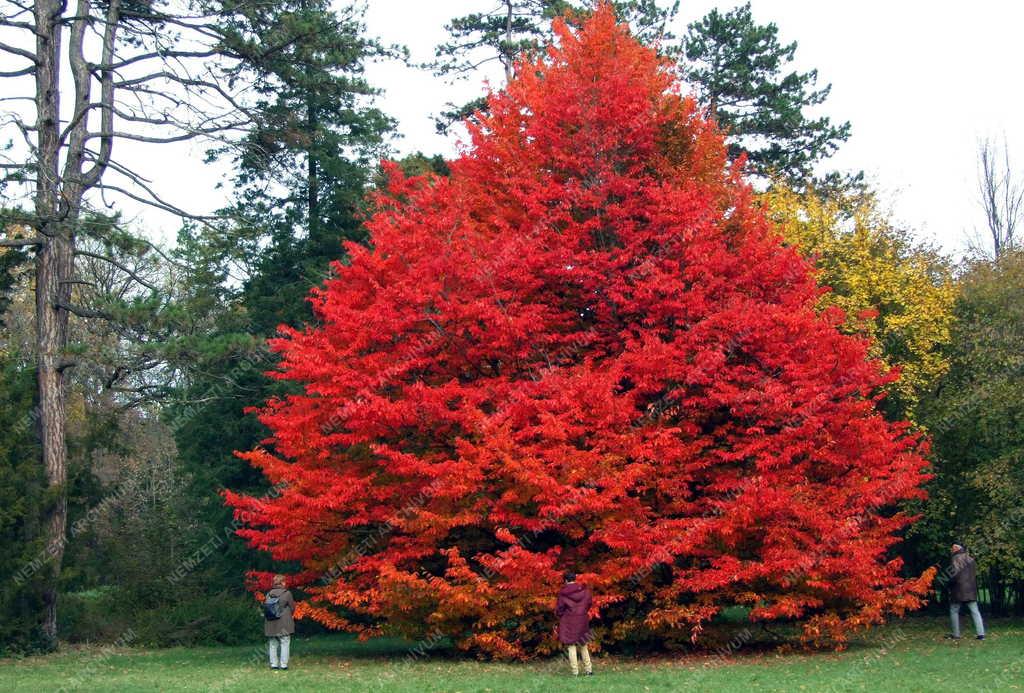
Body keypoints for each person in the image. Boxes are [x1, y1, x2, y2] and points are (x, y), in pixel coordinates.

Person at [556, 571, 594, 676]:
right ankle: (589, 670)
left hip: (569, 621)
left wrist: (561, 616)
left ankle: (575, 672)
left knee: (571, 646)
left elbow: (559, 609)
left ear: (565, 580)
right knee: (583, 645)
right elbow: (589, 603)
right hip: (582, 619)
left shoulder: (563, 593)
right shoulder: (585, 591)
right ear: (575, 579)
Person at [946, 542, 985, 641]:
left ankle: (956, 634)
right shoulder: (970, 559)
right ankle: (981, 634)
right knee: (975, 611)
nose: (952, 549)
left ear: (957, 549)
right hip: (970, 589)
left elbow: (953, 575)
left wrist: (948, 584)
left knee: (954, 610)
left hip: (958, 590)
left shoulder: (955, 559)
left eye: (954, 548)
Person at [264, 574, 296, 669]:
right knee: (285, 641)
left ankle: (273, 664)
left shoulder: (268, 594)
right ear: (282, 582)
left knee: (273, 643)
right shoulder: (287, 593)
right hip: (284, 621)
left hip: (271, 622)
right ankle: (283, 664)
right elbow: (292, 608)